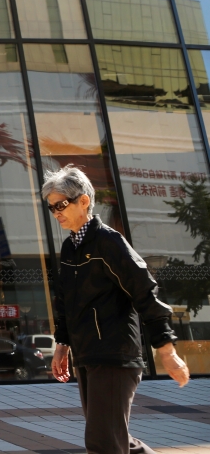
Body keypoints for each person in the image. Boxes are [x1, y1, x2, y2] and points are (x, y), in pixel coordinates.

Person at [45, 165, 189, 454]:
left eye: (61, 204)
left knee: (103, 441)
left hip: (114, 355)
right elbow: (66, 301)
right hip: (88, 354)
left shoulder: (107, 241)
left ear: (83, 201)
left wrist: (167, 350)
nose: (56, 212)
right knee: (114, 438)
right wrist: (62, 345)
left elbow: (144, 290)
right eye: (51, 208)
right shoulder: (70, 247)